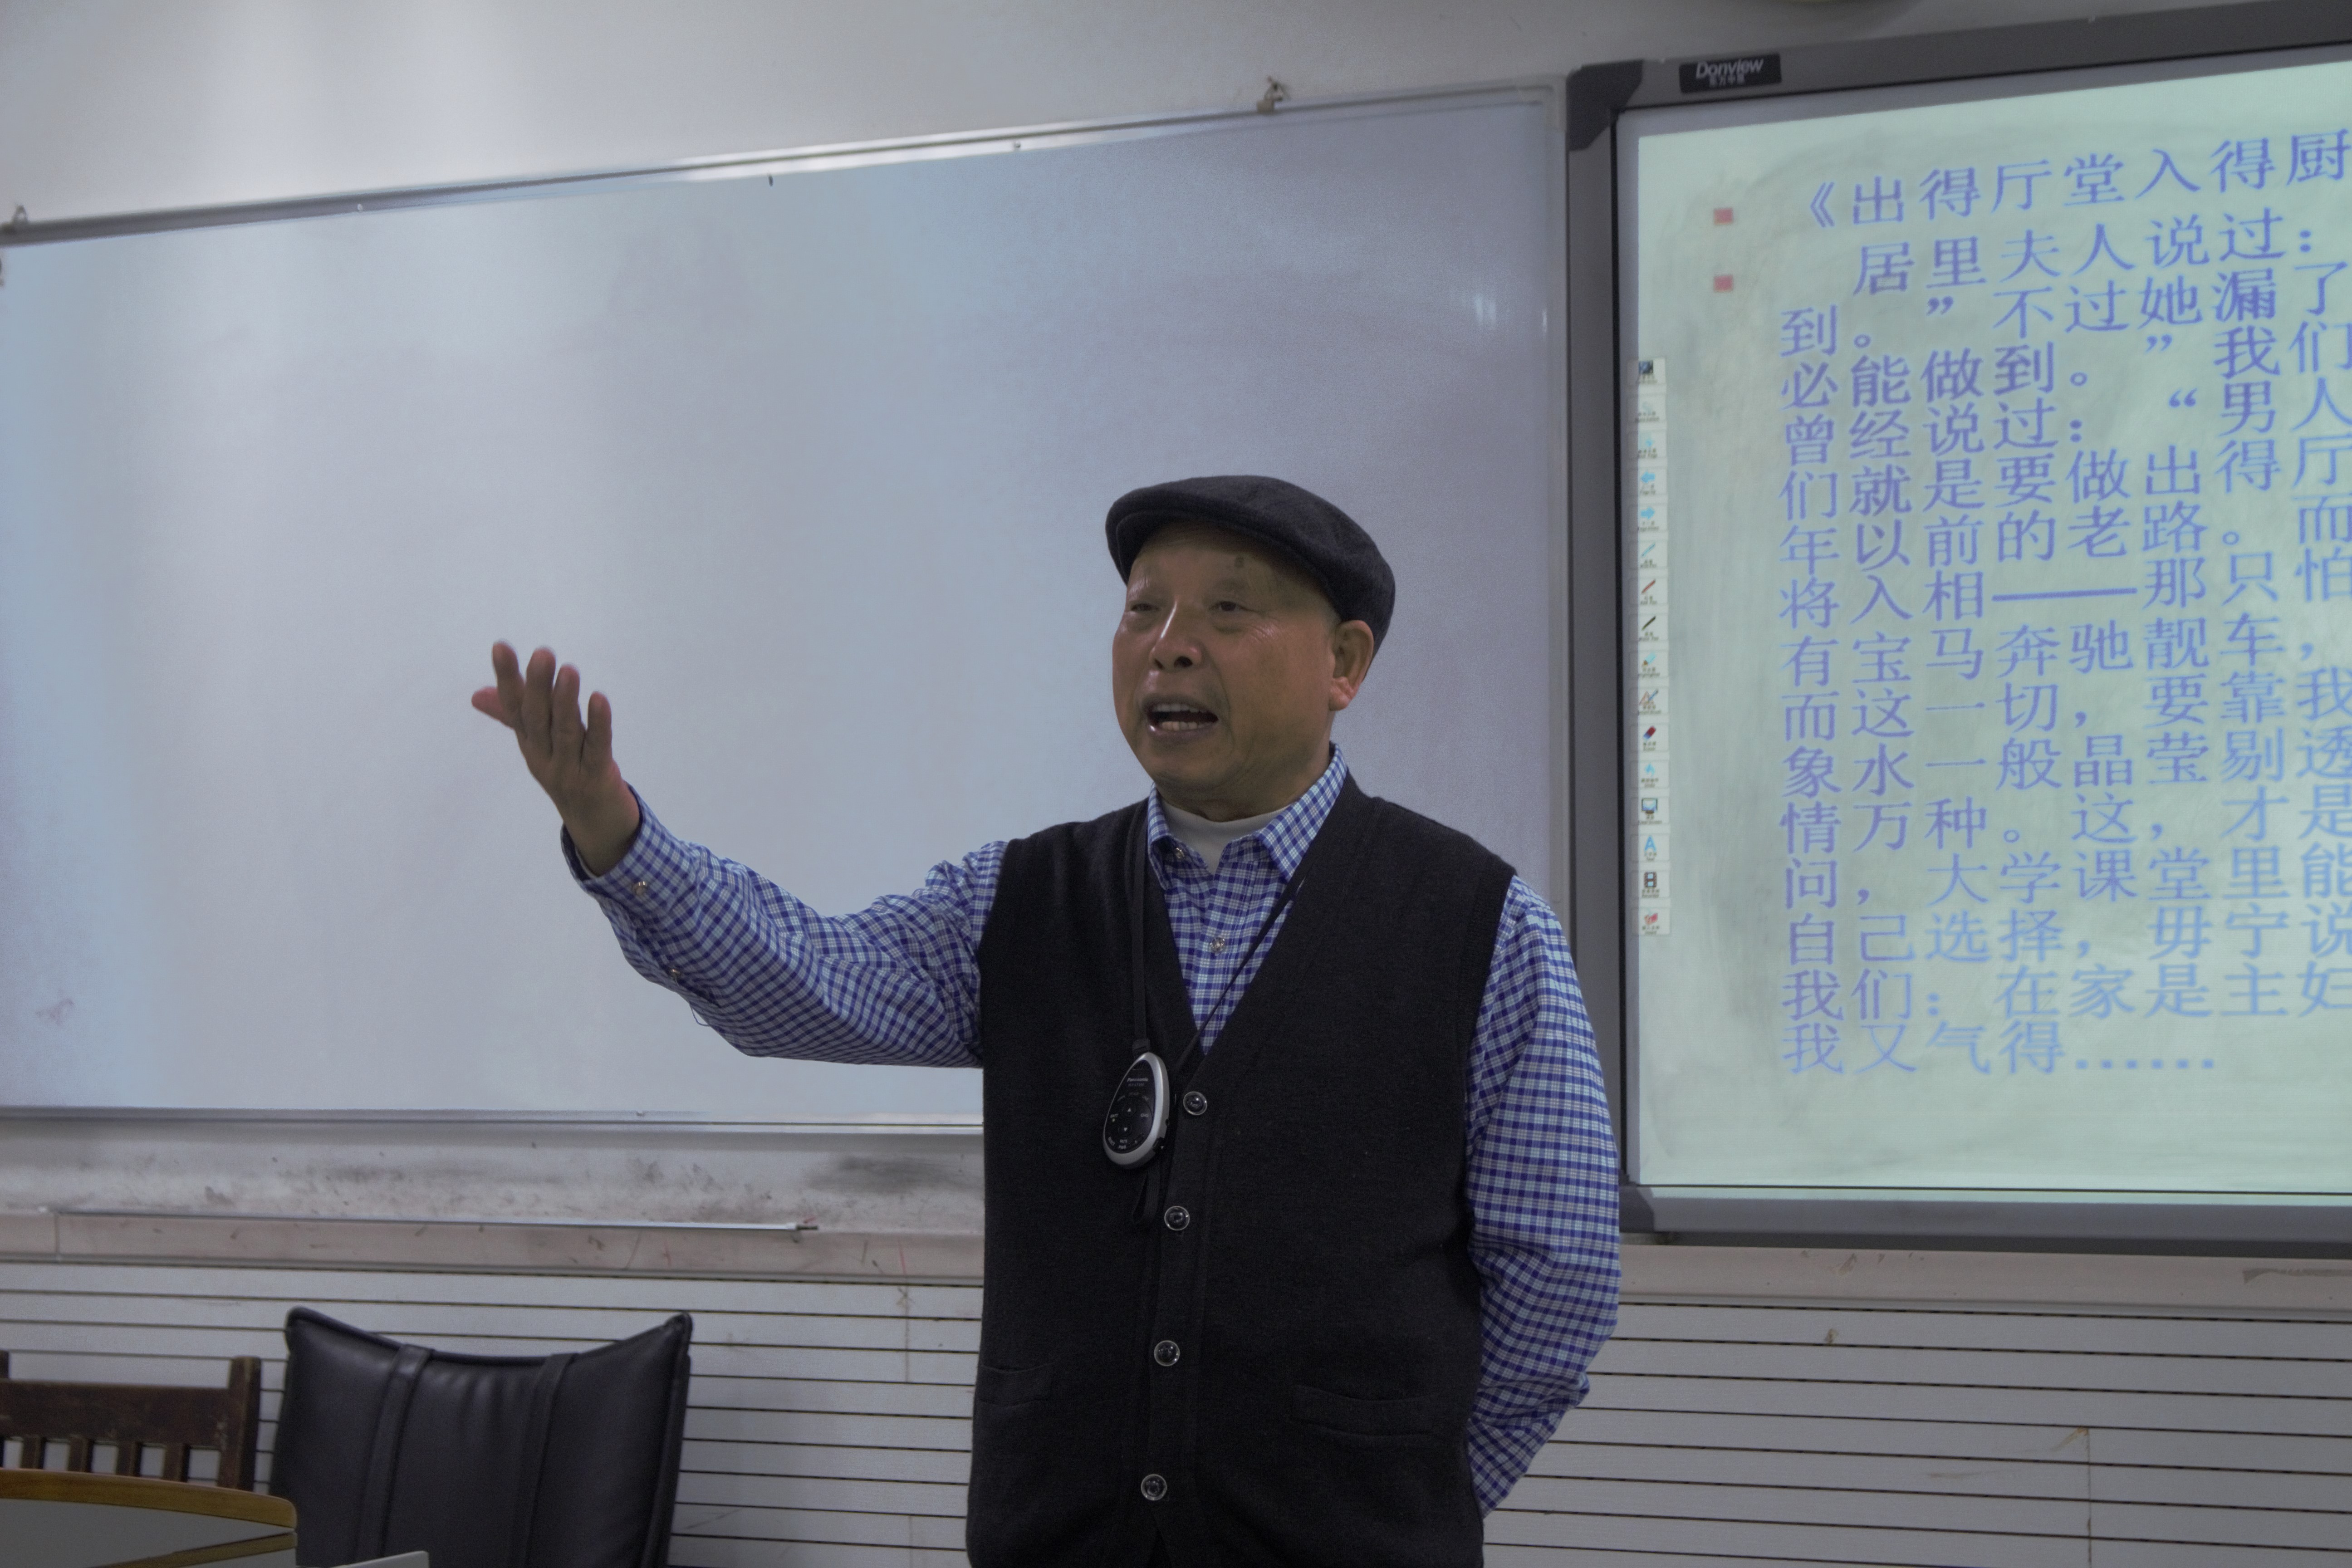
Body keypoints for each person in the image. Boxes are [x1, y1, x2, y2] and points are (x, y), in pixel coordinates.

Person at [473, 475, 1620, 1568]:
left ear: (1346, 663)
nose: (1170, 644)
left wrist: (1409, 1488)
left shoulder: (1479, 924)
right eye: (1143, 610)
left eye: (1228, 610)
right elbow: (813, 979)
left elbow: (1558, 1279)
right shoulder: (1022, 898)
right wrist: (617, 833)